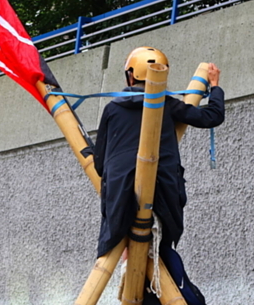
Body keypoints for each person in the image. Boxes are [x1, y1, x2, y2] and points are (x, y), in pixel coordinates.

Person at [94, 47, 224, 258]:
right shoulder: (169, 105)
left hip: (119, 196)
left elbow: (99, 164)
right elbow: (213, 116)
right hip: (162, 194)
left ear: (131, 75)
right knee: (158, 249)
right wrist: (215, 86)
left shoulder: (112, 109)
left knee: (123, 244)